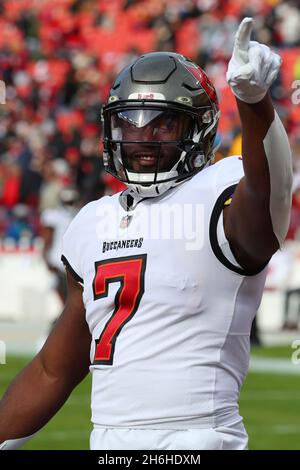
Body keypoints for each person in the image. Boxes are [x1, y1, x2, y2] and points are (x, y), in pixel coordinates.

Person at [0, 18, 293, 450]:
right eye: (129, 124)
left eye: (161, 124)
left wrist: (253, 102)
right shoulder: (92, 222)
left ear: (199, 130)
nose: (140, 138)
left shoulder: (218, 193)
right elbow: (53, 370)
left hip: (199, 441)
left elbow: (269, 201)